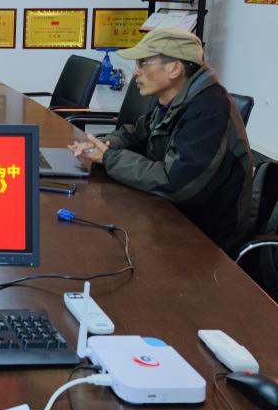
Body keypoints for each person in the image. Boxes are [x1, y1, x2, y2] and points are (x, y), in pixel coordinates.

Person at [67, 28, 254, 252]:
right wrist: (103, 144)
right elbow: (138, 133)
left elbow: (176, 183)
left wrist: (109, 158)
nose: (136, 72)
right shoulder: (175, 100)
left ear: (174, 68)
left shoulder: (209, 110)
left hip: (205, 239)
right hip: (169, 215)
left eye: (143, 63)